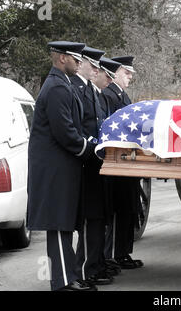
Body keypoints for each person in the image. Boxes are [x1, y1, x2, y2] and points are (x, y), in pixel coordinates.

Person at [26, 41, 97, 291]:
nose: (80, 63)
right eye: (76, 59)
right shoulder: (56, 87)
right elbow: (65, 132)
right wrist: (88, 149)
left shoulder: (63, 84)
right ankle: (62, 281)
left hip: (62, 168)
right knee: (58, 225)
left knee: (64, 223)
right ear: (62, 59)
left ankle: (68, 277)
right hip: (54, 170)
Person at [70, 46, 116, 286]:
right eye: (94, 66)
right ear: (82, 64)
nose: (97, 70)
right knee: (90, 218)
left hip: (97, 162)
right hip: (87, 164)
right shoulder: (76, 89)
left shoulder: (93, 92)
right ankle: (85, 269)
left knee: (99, 217)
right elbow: (78, 127)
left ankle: (95, 264)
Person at [102, 56, 144, 270]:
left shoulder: (122, 96)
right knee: (119, 209)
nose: (129, 76)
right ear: (114, 73)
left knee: (128, 208)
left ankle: (122, 252)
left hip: (128, 163)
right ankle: (112, 254)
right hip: (118, 163)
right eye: (126, 72)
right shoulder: (109, 96)